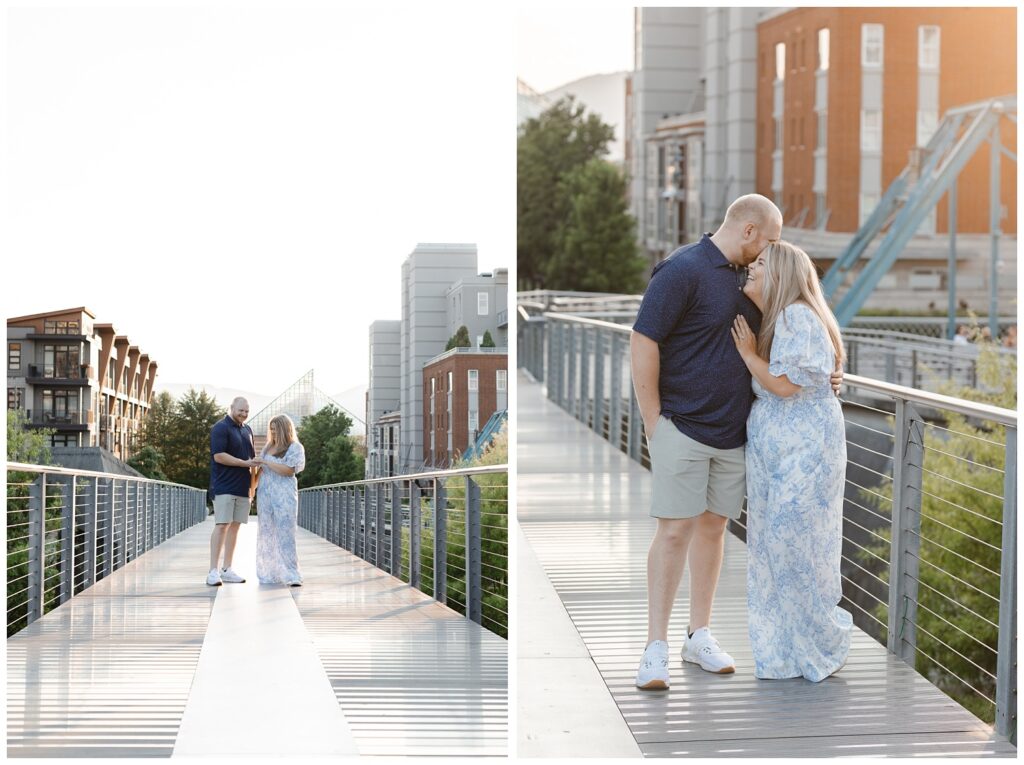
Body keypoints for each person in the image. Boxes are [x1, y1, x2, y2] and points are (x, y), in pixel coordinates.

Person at [731, 240, 852, 681]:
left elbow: (786, 385)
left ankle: (817, 643)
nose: (752, 269)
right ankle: (782, 651)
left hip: (804, 454)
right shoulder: (778, 319)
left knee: (791, 543)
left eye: (761, 264)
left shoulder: (796, 315)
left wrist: (748, 356)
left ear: (780, 273)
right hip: (777, 457)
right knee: (772, 548)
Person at [208, 397, 258, 586]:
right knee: (222, 525)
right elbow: (219, 456)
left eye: (247, 411)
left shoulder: (247, 429)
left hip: (243, 488)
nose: (244, 414)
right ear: (231, 408)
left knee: (235, 527)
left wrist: (252, 488)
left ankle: (227, 569)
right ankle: (213, 571)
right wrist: (243, 463)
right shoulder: (220, 428)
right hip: (223, 486)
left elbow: (251, 460)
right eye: (241, 411)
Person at [254, 414, 306, 586]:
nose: (273, 433)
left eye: (276, 429)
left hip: (284, 495)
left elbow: (289, 470)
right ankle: (269, 571)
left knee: (286, 532)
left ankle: (292, 573)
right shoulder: (269, 446)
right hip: (265, 494)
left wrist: (266, 463)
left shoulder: (295, 447)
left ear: (285, 429)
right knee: (267, 532)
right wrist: (251, 488)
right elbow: (260, 470)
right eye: (271, 429)